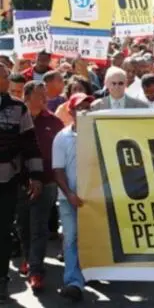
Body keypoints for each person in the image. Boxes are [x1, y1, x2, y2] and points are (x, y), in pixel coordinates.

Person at [0, 63, 43, 304]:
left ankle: (1, 280)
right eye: (4, 77)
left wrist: (35, 176)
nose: (7, 80)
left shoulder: (18, 109)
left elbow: (30, 144)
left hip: (7, 182)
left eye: (6, 76)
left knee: (2, 233)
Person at [17, 81, 64, 292]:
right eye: (40, 96)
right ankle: (28, 258)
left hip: (46, 182)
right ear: (27, 97)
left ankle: (36, 270)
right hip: (19, 183)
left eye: (46, 95)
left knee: (39, 227)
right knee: (24, 225)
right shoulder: (15, 118)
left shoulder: (54, 122)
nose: (46, 100)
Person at [52, 93, 93, 302]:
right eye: (80, 108)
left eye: (88, 107)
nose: (85, 111)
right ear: (71, 112)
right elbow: (58, 170)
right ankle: (73, 281)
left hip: (94, 201)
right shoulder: (62, 137)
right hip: (69, 199)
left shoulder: (99, 135)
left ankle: (89, 274)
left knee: (91, 239)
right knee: (71, 238)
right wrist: (69, 194)